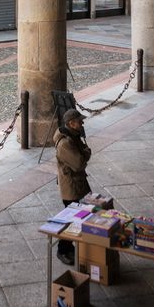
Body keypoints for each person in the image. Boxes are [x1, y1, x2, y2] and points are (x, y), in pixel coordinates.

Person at [55, 108, 92, 265]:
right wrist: (86, 152)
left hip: (77, 183)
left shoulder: (73, 136)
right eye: (79, 121)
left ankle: (69, 247)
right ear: (71, 123)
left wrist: (84, 152)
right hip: (71, 186)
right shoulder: (65, 143)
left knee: (77, 217)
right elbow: (79, 164)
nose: (82, 123)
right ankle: (63, 250)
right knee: (72, 219)